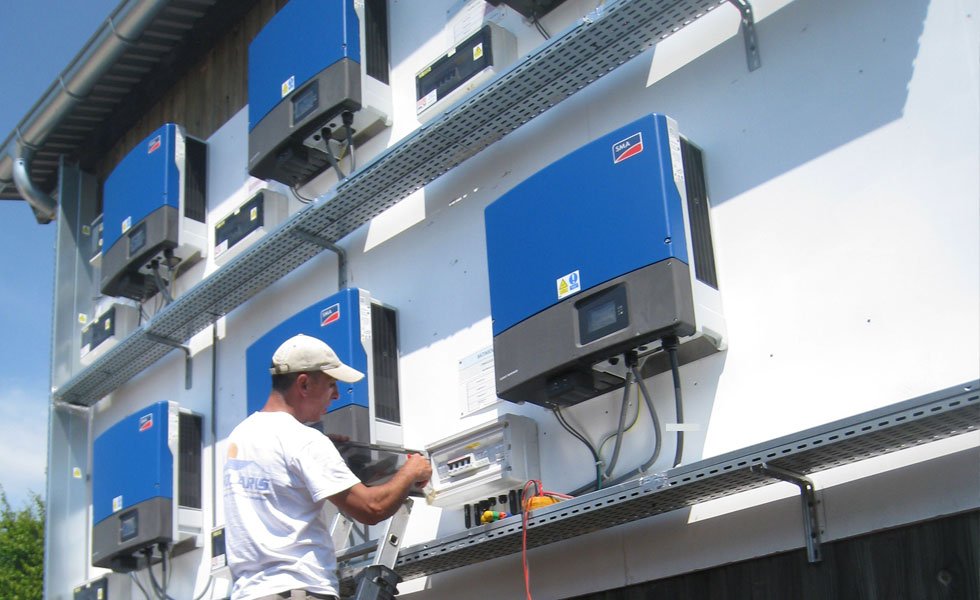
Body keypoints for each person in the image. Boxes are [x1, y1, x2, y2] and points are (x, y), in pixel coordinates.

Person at [224, 334, 432, 600]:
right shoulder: (304, 440)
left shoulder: (242, 436)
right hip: (298, 590)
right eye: (331, 384)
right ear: (304, 383)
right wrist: (412, 470)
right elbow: (372, 508)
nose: (336, 395)